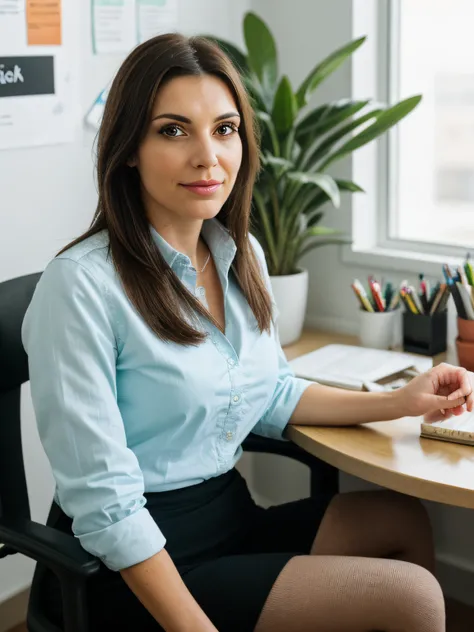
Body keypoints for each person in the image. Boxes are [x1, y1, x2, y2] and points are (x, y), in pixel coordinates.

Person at [22, 33, 473, 632]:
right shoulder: (80, 286)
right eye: (173, 130)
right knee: (411, 598)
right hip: (132, 564)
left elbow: (272, 394)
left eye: (225, 129)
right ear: (128, 147)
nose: (208, 156)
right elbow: (105, 505)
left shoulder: (242, 256)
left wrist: (400, 400)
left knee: (400, 520)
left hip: (227, 516)